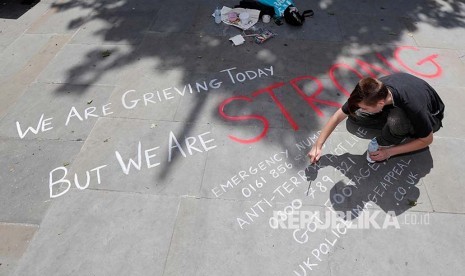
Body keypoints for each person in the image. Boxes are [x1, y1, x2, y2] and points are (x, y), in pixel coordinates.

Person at [308, 72, 445, 163]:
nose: (362, 108)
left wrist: (389, 152)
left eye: (365, 107)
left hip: (431, 118)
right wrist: (317, 145)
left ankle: (398, 134)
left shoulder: (413, 106)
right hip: (393, 106)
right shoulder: (372, 90)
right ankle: (391, 125)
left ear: (380, 103)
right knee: (356, 116)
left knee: (396, 121)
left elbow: (427, 140)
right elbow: (338, 116)